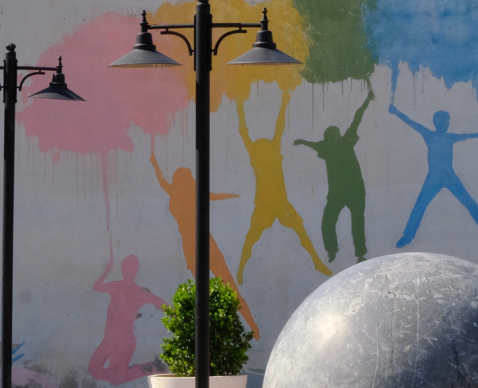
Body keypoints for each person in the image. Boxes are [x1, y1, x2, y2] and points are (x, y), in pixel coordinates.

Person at [149, 151, 259, 338]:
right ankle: (246, 328)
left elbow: (163, 182)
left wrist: (155, 164)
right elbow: (213, 195)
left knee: (218, 291)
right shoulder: (189, 192)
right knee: (220, 291)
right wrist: (155, 164)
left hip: (198, 247)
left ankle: (250, 327)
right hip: (198, 247)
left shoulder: (179, 193)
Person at [236, 90, 332, 283]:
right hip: (266, 204)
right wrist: (239, 105)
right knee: (253, 237)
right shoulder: (265, 152)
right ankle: (240, 270)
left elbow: (273, 127)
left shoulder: (264, 152)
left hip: (279, 203)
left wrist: (284, 101)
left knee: (296, 230)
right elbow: (253, 131)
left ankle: (316, 262)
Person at [389, 102, 478, 248]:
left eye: (446, 121)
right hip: (434, 178)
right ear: (436, 123)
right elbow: (412, 123)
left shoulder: (448, 137)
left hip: (449, 177)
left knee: (469, 203)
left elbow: (466, 136)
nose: (445, 124)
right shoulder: (430, 135)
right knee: (420, 206)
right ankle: (407, 236)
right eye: (443, 121)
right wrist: (396, 112)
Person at [293, 88, 373, 263]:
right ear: (329, 139)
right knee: (329, 224)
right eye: (332, 137)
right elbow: (314, 144)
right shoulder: (329, 147)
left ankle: (358, 253)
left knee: (356, 224)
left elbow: (357, 118)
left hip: (354, 192)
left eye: (335, 136)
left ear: (338, 136)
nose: (335, 139)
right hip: (339, 194)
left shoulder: (343, 143)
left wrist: (367, 100)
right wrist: (302, 142)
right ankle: (333, 250)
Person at [88, 253, 167, 385]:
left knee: (115, 379)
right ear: (122, 269)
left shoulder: (140, 292)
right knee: (95, 370)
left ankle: (151, 368)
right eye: (125, 267)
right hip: (109, 339)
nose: (127, 270)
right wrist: (106, 271)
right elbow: (96, 287)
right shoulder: (116, 286)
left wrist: (178, 314)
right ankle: (149, 368)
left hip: (124, 341)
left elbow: (160, 303)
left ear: (135, 270)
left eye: (131, 267)